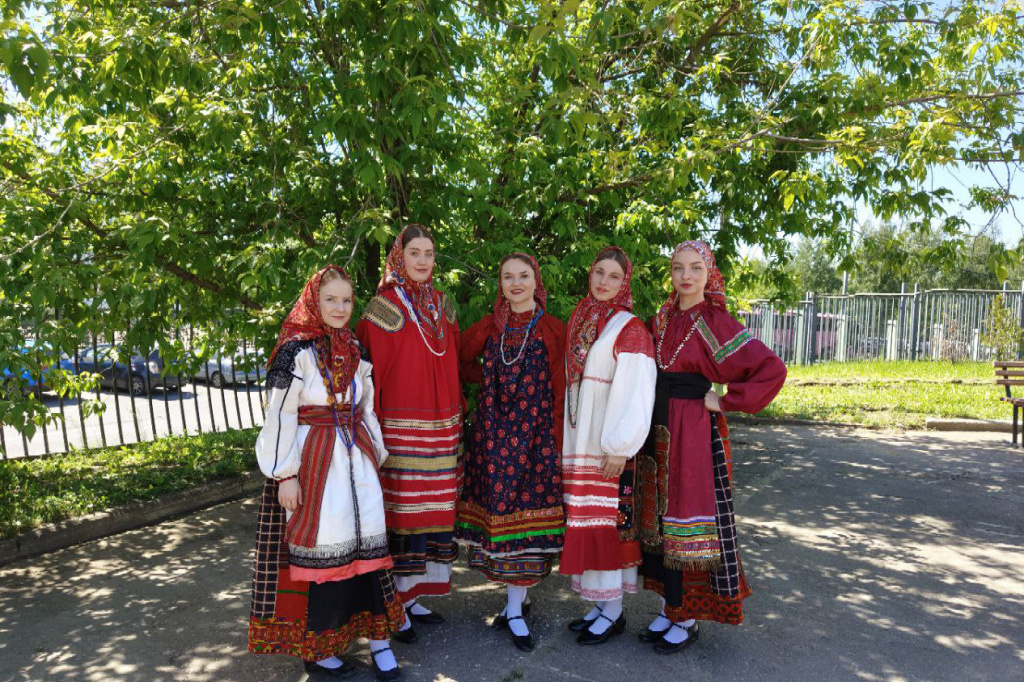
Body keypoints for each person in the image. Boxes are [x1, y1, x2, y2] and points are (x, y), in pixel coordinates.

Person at [248, 265, 403, 681]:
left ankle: (380, 643)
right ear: (314, 302)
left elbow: (367, 406)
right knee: (325, 558)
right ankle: (320, 650)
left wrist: (374, 452)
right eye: (330, 299)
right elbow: (280, 416)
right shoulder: (294, 352)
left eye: (346, 300)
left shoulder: (356, 349)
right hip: (315, 465)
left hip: (356, 463)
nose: (339, 307)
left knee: (370, 552)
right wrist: (285, 474)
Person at [637, 241, 786, 653]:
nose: (686, 276)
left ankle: (687, 619)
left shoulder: (715, 321)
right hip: (656, 425)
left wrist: (724, 400)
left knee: (686, 514)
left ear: (709, 274)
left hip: (692, 430)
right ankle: (669, 607)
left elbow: (771, 369)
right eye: (678, 267)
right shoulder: (661, 319)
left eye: (695, 268)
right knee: (659, 517)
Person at [456, 252, 567, 652]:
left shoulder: (553, 329)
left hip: (536, 440)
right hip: (494, 439)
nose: (516, 283)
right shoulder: (490, 326)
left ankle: (516, 608)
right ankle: (515, 603)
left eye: (523, 276)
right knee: (500, 518)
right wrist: (487, 381)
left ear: (536, 281)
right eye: (508, 277)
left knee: (527, 520)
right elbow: (460, 359)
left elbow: (562, 387)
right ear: (500, 284)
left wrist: (558, 439)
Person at [356, 224, 462, 643]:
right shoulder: (382, 307)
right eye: (414, 252)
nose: (422, 260)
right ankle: (394, 603)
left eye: (429, 253)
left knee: (432, 515)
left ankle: (415, 596)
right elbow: (370, 376)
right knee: (402, 516)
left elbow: (453, 361)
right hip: (402, 428)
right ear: (399, 258)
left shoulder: (443, 303)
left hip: (443, 425)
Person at [560, 246, 657, 646]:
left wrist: (620, 446)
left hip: (605, 443)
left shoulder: (630, 327)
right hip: (579, 437)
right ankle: (599, 604)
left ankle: (614, 611)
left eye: (614, 276)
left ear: (625, 282)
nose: (604, 281)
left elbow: (637, 390)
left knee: (605, 525)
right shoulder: (582, 316)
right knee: (585, 521)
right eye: (599, 272)